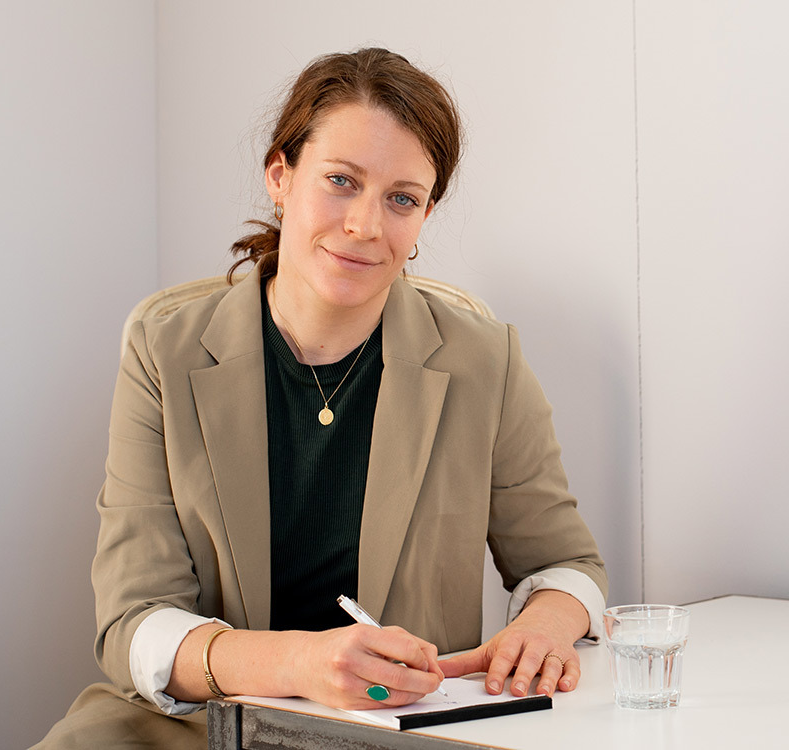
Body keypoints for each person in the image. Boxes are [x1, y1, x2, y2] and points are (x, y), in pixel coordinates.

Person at [36, 47, 606, 749]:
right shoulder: (165, 353)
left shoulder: (485, 361)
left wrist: (545, 625)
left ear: (426, 214)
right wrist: (299, 664)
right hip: (198, 725)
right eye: (341, 181)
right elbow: (135, 623)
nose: (366, 225)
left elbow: (566, 567)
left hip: (395, 729)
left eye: (402, 198)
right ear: (280, 176)